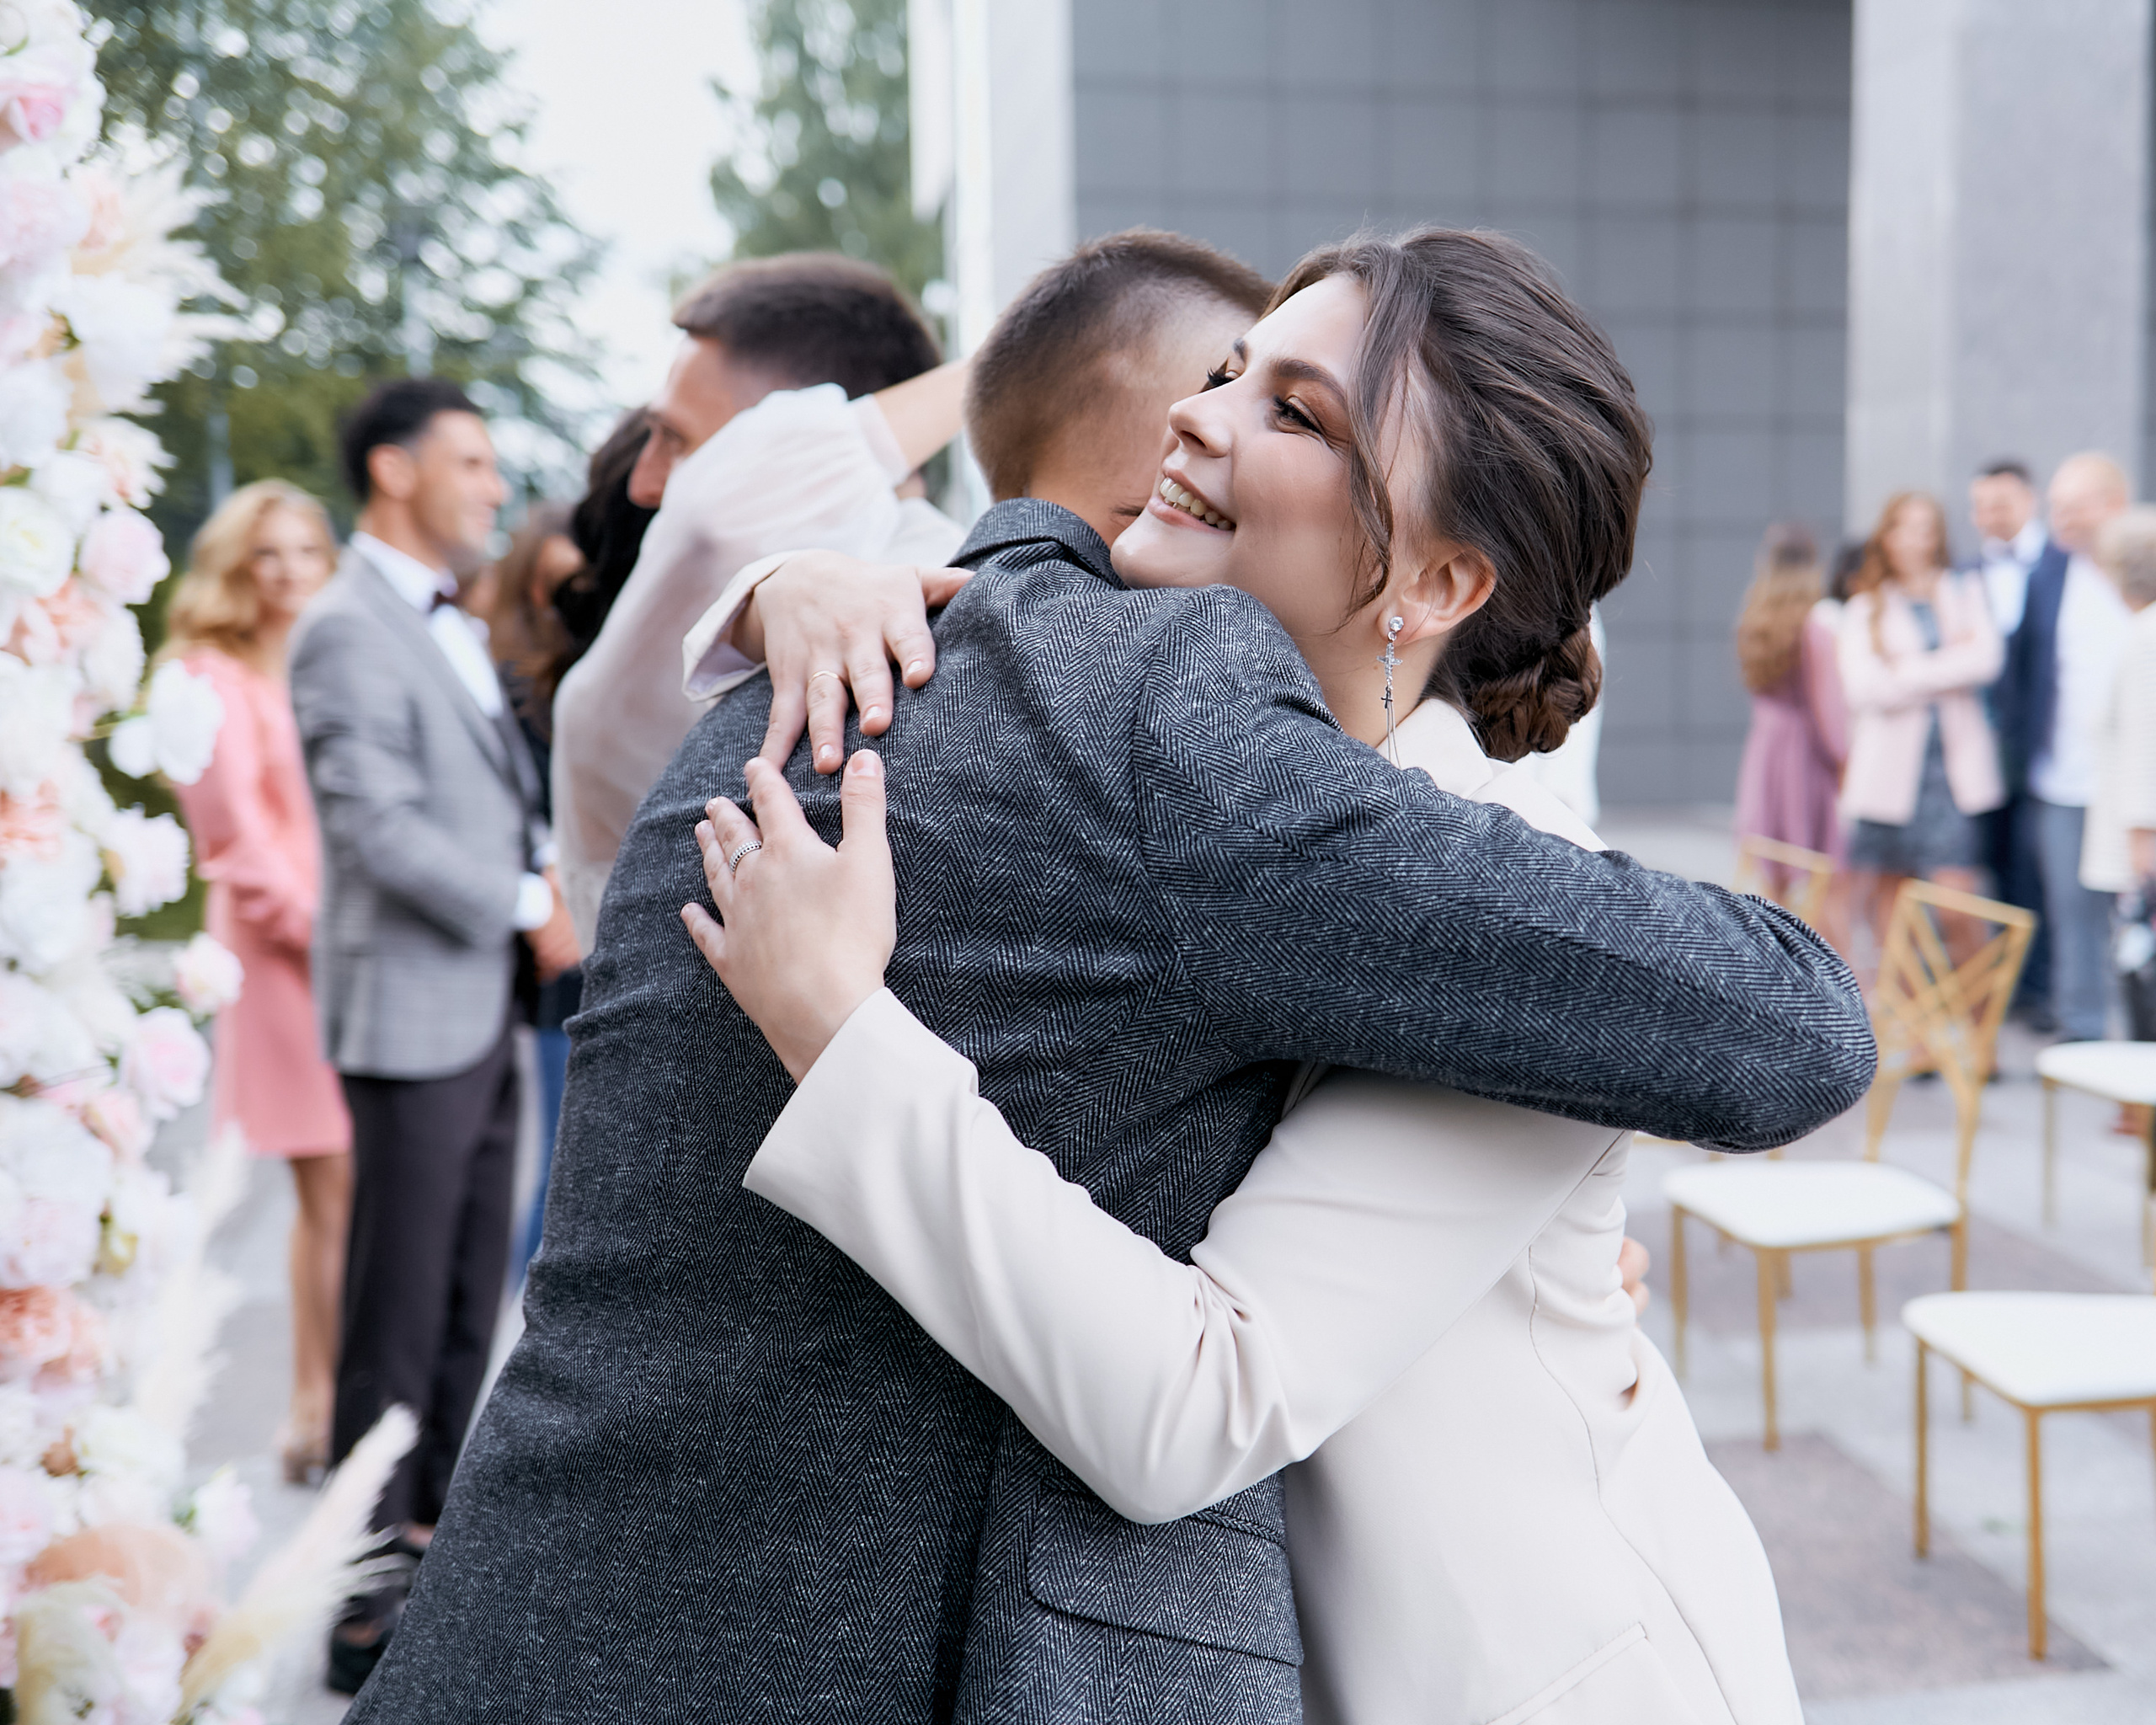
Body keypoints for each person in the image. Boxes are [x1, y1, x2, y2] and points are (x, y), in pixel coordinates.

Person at [346, 229, 1872, 1725]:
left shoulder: (1483, 884)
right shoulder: (1144, 749)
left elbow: (1197, 1399)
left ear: (1442, 575)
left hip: (1539, 1664)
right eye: (1227, 373)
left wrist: (844, 1031)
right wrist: (788, 582)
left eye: (1295, 413)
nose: (1193, 420)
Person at [287, 377, 578, 1693]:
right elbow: (376, 830)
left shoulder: (450, 618)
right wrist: (528, 905)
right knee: (397, 1315)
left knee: (469, 1302)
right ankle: (355, 1603)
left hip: (481, 1004)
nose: (493, 487)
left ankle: (429, 1551)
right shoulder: (345, 624)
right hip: (412, 1014)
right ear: (393, 470)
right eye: (470, 461)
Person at [550, 254, 969, 946]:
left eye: (677, 441)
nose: (644, 482)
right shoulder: (634, 668)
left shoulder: (959, 590)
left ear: (786, 441)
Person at [163, 480, 351, 1487]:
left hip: (349, 946)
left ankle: (328, 1395)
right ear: (237, 566)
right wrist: (322, 936)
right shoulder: (207, 677)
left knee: (346, 1189)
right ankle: (313, 1403)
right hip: (288, 957)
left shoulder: (322, 663)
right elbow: (232, 841)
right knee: (329, 1181)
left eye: (307, 551)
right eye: (267, 553)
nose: (288, 572)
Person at [479, 504, 585, 1286]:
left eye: (577, 582)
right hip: (552, 935)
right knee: (559, 1165)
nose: (562, 600)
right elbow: (514, 808)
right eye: (550, 582)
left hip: (598, 919)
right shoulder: (507, 682)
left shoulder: (609, 666)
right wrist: (552, 891)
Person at [2002, 453, 2136, 1040]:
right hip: (2061, 779)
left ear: (2114, 505)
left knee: (2138, 920)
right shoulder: (2049, 572)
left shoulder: (2141, 568)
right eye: (2056, 507)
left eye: (2074, 507)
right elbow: (2027, 666)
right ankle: (2084, 1032)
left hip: (2136, 783)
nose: (2061, 519)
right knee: (2070, 913)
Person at [1837, 490, 2004, 949]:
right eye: (1904, 528)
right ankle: (1906, 999)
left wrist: (1905, 669)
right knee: (1893, 909)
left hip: (1951, 778)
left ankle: (1974, 999)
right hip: (1888, 778)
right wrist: (1950, 665)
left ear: (1938, 537)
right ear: (1886, 536)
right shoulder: (1866, 606)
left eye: (1925, 529)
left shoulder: (1963, 592)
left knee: (1957, 904)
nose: (1914, 540)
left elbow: (1986, 660)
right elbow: (1865, 688)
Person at [1967, 457, 2057, 1019]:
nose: (1989, 517)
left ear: (2029, 501)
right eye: (1980, 507)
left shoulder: (2061, 566)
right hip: (1982, 752)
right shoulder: (1966, 573)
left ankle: (2040, 989)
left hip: (2043, 751)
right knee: (1993, 867)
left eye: (2000, 504)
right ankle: (2004, 986)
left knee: (2039, 870)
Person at [1734, 522, 1849, 945]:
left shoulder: (1755, 619)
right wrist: (1844, 762)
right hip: (1804, 759)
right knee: (1826, 883)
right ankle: (1840, 977)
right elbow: (1828, 714)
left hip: (1766, 753)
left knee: (1775, 885)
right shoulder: (1814, 626)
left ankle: (1778, 968)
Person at [2081, 505, 2156, 1041]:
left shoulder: (2147, 636)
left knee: (2141, 972)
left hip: (2142, 844)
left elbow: (2145, 742)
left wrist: (2143, 843)